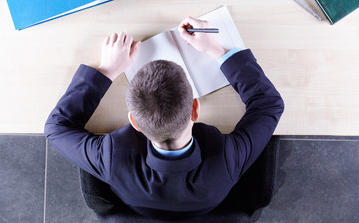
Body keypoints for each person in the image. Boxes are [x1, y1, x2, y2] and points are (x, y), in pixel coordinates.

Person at [44, 17, 284, 221]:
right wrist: (217, 50)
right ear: (194, 109)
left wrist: (107, 70)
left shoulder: (112, 157)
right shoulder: (226, 158)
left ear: (134, 122)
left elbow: (56, 128)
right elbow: (269, 104)